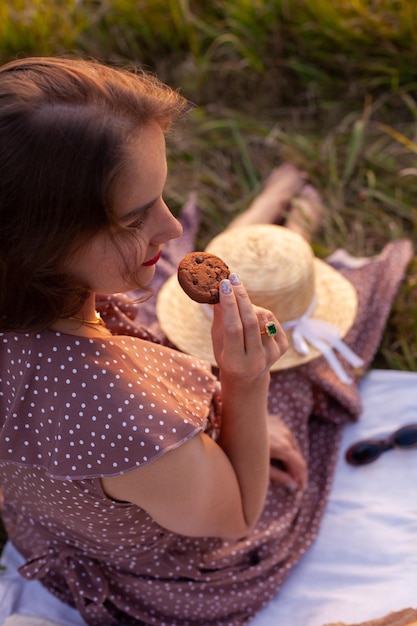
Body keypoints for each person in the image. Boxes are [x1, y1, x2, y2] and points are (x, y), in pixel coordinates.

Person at [0, 56, 412, 626]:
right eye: (135, 217)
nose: (170, 227)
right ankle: (288, 225)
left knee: (179, 276)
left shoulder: (31, 292)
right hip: (165, 579)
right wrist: (245, 384)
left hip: (48, 525)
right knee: (293, 371)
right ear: (41, 239)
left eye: (164, 197)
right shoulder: (119, 407)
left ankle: (274, 215)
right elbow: (239, 512)